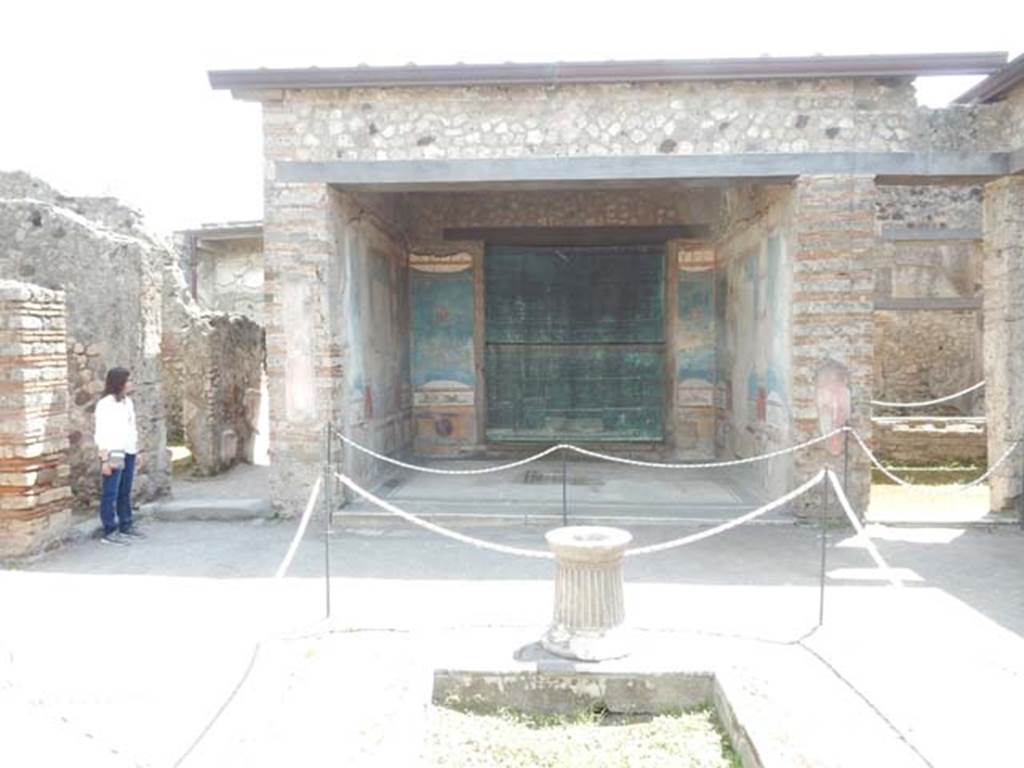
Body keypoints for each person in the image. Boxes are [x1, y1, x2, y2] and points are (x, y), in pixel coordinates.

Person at [94, 367, 144, 544]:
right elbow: (101, 433)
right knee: (111, 492)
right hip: (114, 452)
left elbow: (132, 428)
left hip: (128, 450)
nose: (131, 383)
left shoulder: (128, 403)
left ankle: (126, 524)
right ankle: (109, 529)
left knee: (125, 491)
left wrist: (137, 451)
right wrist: (104, 459)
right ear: (119, 382)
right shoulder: (105, 404)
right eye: (128, 380)